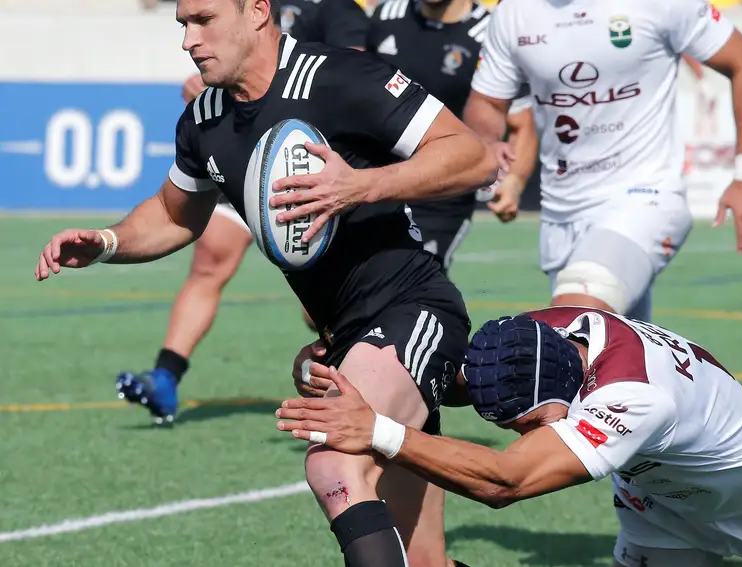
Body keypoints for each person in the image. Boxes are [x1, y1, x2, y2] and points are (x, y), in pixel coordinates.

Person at [34, 1, 497, 566]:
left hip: (413, 311)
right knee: (425, 562)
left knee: (335, 462)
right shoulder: (204, 118)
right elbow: (173, 214)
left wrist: (361, 185)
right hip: (343, 340)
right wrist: (106, 242)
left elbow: (473, 156)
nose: (188, 41)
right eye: (183, 24)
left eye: (203, 20)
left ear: (256, 11)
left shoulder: (343, 76)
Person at [275, 306, 742, 567]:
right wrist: (345, 369)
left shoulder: (634, 397)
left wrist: (376, 428)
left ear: (574, 392)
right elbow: (452, 376)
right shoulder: (542, 337)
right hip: (660, 503)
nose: (526, 437)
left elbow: (506, 481)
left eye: (532, 424)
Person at [114, 0, 372, 423]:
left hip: (310, 174)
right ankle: (165, 375)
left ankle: (374, 375)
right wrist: (209, 89)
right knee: (209, 262)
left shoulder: (333, 8)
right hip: (241, 156)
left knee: (318, 313)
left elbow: (352, 75)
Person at [462, 0, 742, 323]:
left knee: (571, 328)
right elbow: (487, 101)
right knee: (612, 365)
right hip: (560, 215)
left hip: (644, 199)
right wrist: (486, 141)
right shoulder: (513, 11)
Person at [366, 0, 538, 269]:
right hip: (375, 178)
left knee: (410, 278)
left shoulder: (489, 32)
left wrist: (514, 181)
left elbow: (522, 123)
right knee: (327, 304)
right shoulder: (386, 16)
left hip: (442, 190)